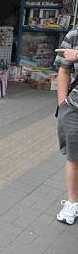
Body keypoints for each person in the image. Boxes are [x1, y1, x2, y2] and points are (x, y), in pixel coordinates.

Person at [54, 36, 78, 224]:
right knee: (74, 157)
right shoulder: (74, 36)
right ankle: (73, 203)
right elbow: (63, 71)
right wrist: (62, 105)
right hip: (74, 109)